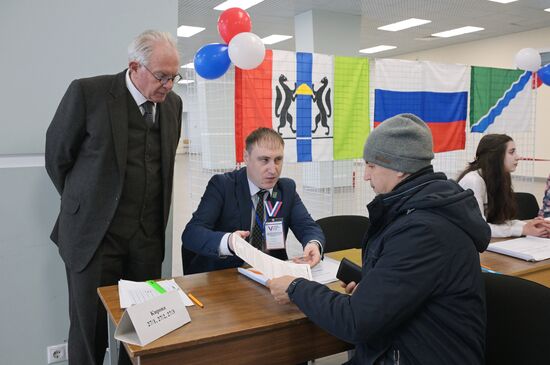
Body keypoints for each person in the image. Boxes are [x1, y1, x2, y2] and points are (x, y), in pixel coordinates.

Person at [267, 114, 491, 365]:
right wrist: (374, 288)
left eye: (371, 166)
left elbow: (356, 322)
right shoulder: (419, 213)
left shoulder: (422, 231)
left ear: (399, 167)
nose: (365, 176)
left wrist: (296, 287)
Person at [45, 30, 182, 365]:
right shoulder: (89, 93)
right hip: (93, 240)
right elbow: (57, 157)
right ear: (135, 66)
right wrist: (85, 204)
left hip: (146, 242)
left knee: (140, 331)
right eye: (161, 76)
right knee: (88, 332)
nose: (168, 85)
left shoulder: (173, 106)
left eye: (173, 77)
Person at [182, 127, 325, 274]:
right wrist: (229, 242)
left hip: (269, 276)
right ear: (246, 157)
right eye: (264, 160)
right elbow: (192, 233)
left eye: (278, 160)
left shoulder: (286, 189)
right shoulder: (223, 186)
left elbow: (307, 227)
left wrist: (313, 244)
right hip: (226, 275)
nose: (273, 169)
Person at [457, 134, 550, 238]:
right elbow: (479, 228)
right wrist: (522, 229)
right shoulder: (473, 181)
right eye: (511, 152)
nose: (518, 157)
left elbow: (500, 223)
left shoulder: (500, 178)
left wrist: (530, 225)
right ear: (495, 156)